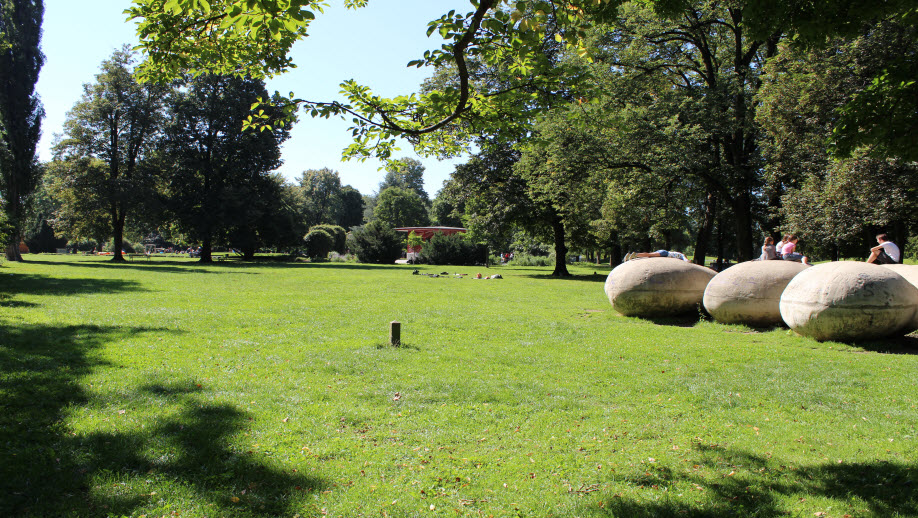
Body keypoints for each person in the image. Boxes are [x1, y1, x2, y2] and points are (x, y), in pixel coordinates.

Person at [625, 250, 689, 262]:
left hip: (663, 252)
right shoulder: (681, 255)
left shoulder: (678, 254)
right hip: (665, 253)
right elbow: (685, 259)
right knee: (649, 255)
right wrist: (688, 261)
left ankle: (633, 255)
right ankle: (635, 255)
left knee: (649, 255)